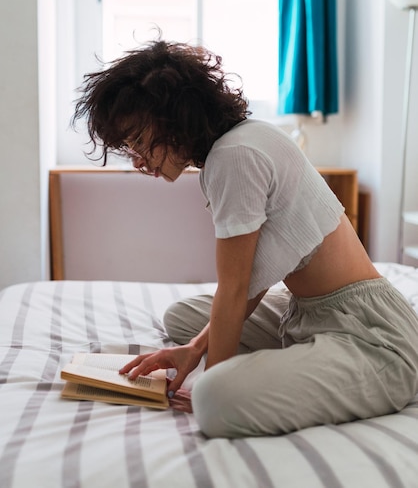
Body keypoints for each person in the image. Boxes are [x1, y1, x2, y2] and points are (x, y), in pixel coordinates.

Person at [72, 37, 418, 438]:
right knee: (182, 319)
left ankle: (360, 372)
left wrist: (209, 380)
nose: (137, 159)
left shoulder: (234, 158)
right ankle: (289, 358)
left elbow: (234, 289)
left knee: (215, 398)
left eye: (136, 141)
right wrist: (194, 350)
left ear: (172, 119)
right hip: (309, 313)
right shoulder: (243, 139)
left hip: (373, 339)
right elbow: (251, 279)